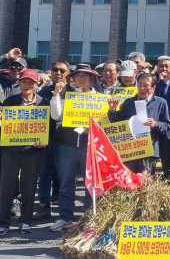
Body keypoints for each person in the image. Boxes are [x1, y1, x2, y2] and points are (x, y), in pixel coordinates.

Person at [49, 64, 100, 232]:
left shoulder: (99, 97)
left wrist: (92, 128)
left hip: (89, 146)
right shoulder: (67, 95)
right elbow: (56, 115)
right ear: (73, 78)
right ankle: (65, 218)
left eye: (85, 75)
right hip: (68, 145)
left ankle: (89, 219)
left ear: (91, 78)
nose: (81, 78)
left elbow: (105, 124)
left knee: (90, 184)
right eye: (78, 76)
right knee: (65, 183)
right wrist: (56, 94)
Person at [0, 70, 49, 235]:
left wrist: (44, 142)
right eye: (24, 82)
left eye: (31, 82)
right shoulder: (9, 101)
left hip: (33, 151)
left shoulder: (44, 103)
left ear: (37, 84)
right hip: (10, 150)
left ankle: (25, 221)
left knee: (28, 188)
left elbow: (48, 128)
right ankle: (3, 222)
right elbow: (4, 127)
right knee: (6, 187)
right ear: (19, 83)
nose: (27, 85)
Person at [107, 73, 170, 174]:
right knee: (129, 182)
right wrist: (112, 109)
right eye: (139, 84)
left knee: (145, 182)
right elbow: (116, 121)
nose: (141, 88)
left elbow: (167, 126)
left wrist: (155, 124)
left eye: (146, 86)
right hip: (130, 150)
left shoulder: (160, 102)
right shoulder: (129, 102)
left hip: (149, 150)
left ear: (153, 87)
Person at [33, 61, 70, 220]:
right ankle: (43, 206)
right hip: (45, 139)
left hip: (66, 140)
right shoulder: (42, 92)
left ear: (68, 73)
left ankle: (65, 210)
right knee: (44, 175)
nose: (58, 72)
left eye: (62, 70)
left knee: (64, 177)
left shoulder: (74, 92)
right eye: (55, 69)